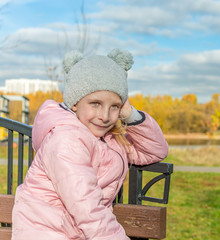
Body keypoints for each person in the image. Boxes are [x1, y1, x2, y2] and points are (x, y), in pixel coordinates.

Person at [12, 48, 168, 240]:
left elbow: (155, 151)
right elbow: (86, 206)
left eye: (114, 106)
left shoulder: (111, 140)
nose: (104, 116)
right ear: (75, 102)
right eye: (95, 103)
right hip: (48, 232)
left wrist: (130, 114)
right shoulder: (66, 138)